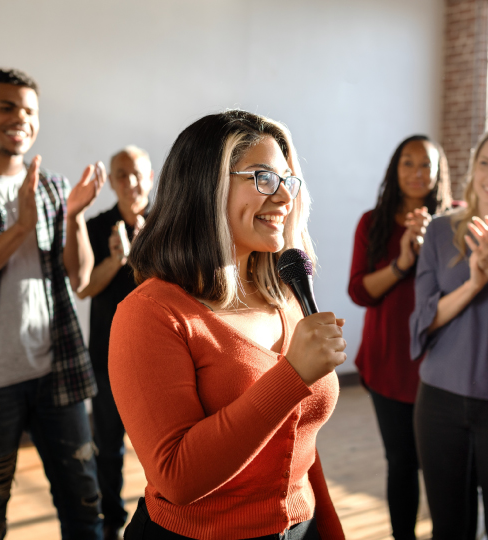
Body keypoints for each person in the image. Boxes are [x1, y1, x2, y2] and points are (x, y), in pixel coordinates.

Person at [109, 110, 347, 540]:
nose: (283, 197)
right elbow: (177, 478)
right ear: (205, 188)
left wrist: (327, 529)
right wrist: (292, 375)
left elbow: (299, 449)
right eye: (261, 177)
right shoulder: (149, 313)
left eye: (286, 180)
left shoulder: (286, 296)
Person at [0, 68, 105, 539]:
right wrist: (20, 229)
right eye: (7, 106)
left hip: (57, 376)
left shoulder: (51, 189)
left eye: (29, 110)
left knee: (85, 505)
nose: (20, 118)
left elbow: (81, 278)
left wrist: (75, 217)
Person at [348, 135, 452, 540]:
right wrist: (403, 262)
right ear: (395, 170)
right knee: (402, 461)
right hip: (388, 361)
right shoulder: (371, 223)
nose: (416, 173)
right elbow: (359, 291)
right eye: (407, 163)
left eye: (425, 164)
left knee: (446, 465)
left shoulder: (455, 220)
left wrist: (433, 246)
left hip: (441, 363)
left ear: (439, 171)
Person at [410, 126, 488, 540]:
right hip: (439, 401)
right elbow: (423, 319)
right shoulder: (439, 232)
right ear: (473, 168)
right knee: (449, 526)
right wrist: (473, 283)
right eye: (485, 163)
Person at [77, 146, 154, 540]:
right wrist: (117, 260)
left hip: (158, 355)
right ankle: (110, 521)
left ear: (151, 177)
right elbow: (85, 287)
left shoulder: (165, 223)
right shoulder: (96, 225)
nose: (131, 182)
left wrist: (144, 258)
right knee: (107, 442)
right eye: (121, 175)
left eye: (137, 173)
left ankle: (161, 515)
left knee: (161, 444)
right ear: (111, 181)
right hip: (108, 354)